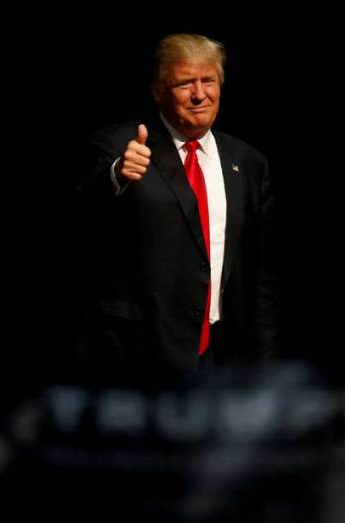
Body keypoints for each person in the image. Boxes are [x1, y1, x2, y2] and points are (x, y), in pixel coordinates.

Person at [76, 33, 278, 377]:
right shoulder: (118, 147)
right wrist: (116, 177)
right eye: (185, 83)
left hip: (220, 358)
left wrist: (265, 366)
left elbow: (259, 274)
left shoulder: (247, 162)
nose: (200, 94)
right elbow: (79, 221)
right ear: (158, 90)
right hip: (137, 358)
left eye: (208, 81)